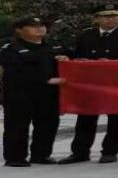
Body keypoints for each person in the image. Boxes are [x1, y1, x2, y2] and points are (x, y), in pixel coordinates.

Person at [61, 4, 118, 164]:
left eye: (115, 15)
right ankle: (80, 152)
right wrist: (72, 59)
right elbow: (77, 54)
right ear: (96, 18)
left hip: (117, 83)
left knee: (117, 118)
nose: (111, 19)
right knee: (85, 118)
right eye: (106, 16)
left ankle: (110, 151)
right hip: (90, 83)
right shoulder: (86, 35)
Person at [2, 16, 68, 167]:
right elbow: (16, 70)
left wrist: (65, 59)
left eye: (42, 25)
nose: (39, 29)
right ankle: (15, 157)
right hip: (20, 94)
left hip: (48, 94)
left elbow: (73, 61)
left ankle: (41, 155)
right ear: (19, 30)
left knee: (48, 124)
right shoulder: (10, 48)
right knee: (17, 126)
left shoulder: (54, 47)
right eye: (33, 26)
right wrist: (45, 79)